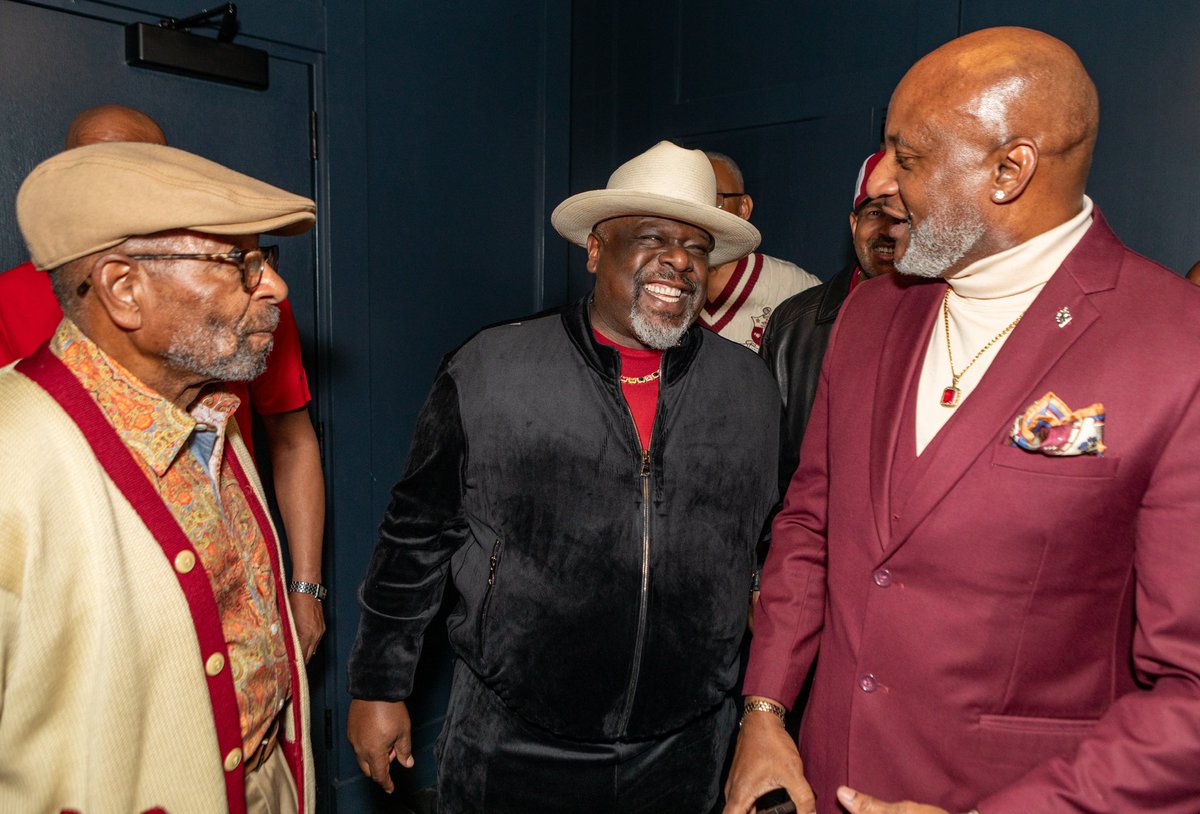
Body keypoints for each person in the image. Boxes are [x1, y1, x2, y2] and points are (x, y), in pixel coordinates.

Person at [724, 26, 1200, 814]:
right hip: (822, 776)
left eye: (909, 158)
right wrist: (765, 710)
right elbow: (810, 524)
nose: (887, 184)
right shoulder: (872, 312)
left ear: (1011, 168)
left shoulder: (1175, 343)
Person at [347, 140, 782, 813]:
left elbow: (767, 550)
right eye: (652, 238)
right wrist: (379, 685)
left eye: (696, 247)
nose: (677, 260)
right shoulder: (491, 367)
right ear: (596, 250)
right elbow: (416, 534)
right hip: (513, 742)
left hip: (688, 749)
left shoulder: (749, 387)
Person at [0, 142, 318, 811]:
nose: (276, 288)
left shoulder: (210, 412)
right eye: (241, 263)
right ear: (123, 289)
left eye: (266, 260)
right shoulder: (13, 455)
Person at [759, 150, 906, 458]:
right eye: (876, 213)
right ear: (854, 224)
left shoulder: (953, 313)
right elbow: (766, 456)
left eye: (903, 216)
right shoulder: (794, 325)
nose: (889, 231)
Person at [698, 151, 819, 351]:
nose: (704, 210)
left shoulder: (791, 285)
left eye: (715, 198)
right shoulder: (667, 285)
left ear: (743, 208)